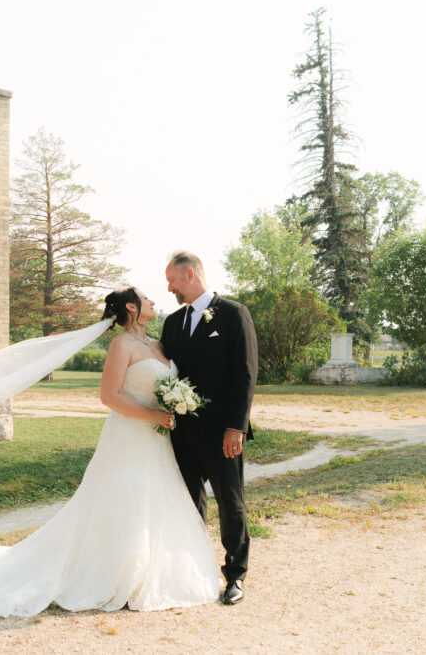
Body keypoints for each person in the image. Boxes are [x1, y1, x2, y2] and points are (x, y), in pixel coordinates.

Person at [0, 287, 221, 617]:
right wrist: (153, 415)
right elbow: (109, 396)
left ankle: (152, 569)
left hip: (156, 439)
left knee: (155, 498)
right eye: (145, 298)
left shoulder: (157, 344)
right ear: (131, 308)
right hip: (130, 435)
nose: (152, 300)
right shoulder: (121, 345)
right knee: (123, 498)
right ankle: (112, 572)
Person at [160, 250, 258, 605]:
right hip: (182, 434)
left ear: (189, 274)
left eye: (171, 279)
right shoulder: (172, 323)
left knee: (231, 503)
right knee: (188, 503)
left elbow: (245, 375)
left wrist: (237, 427)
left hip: (222, 434)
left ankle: (235, 576)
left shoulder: (233, 314)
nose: (168, 286)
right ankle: (195, 570)